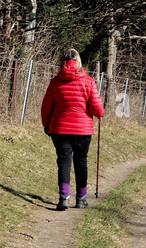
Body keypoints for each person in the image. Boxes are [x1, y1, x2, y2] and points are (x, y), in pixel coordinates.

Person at [40, 49, 105, 210]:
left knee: (64, 162)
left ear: (63, 62)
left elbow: (46, 107)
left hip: (60, 129)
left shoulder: (55, 82)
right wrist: (100, 113)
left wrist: (46, 124)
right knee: (81, 162)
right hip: (83, 131)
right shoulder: (88, 81)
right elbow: (98, 109)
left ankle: (64, 198)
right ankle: (81, 198)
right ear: (79, 62)